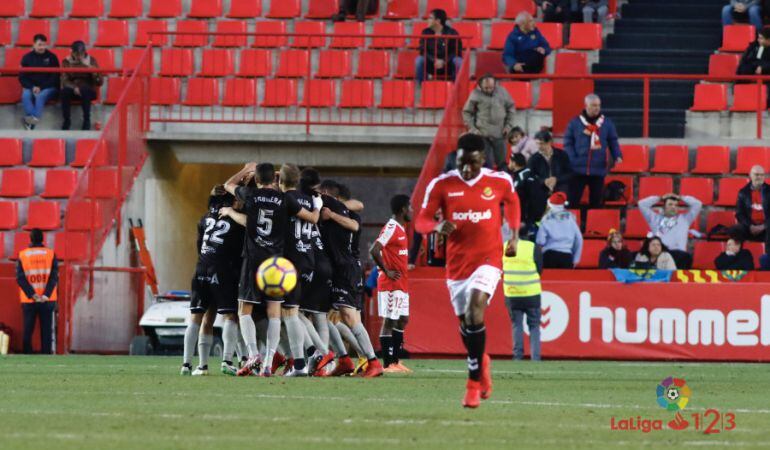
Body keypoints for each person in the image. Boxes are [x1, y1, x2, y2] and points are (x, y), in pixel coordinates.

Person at [416, 132, 521, 408]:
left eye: (472, 163)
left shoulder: (498, 181)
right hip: (457, 265)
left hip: (488, 259)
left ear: (483, 159)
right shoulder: (442, 184)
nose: (466, 168)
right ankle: (481, 361)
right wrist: (437, 226)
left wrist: (514, 235)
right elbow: (422, 220)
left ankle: (472, 385)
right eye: (461, 162)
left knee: (477, 309)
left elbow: (512, 202)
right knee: (466, 325)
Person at [223, 162, 319, 377]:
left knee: (243, 310)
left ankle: (253, 354)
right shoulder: (285, 199)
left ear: (257, 179)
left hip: (253, 259)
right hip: (276, 265)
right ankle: (268, 363)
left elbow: (228, 184)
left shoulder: (250, 194)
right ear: (275, 180)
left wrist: (245, 169)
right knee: (275, 313)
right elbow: (312, 217)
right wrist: (317, 205)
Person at [319, 180, 384, 378]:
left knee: (349, 317)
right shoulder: (339, 211)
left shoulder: (344, 214)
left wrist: (332, 213)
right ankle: (345, 359)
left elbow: (356, 219)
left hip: (345, 270)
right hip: (343, 269)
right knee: (325, 316)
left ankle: (371, 360)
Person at [181, 186, 245, 376]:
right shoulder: (236, 220)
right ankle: (226, 360)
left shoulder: (204, 219)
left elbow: (200, 246)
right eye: (238, 200)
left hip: (201, 269)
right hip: (223, 271)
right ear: (232, 202)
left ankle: (191, 365)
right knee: (230, 316)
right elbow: (240, 251)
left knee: (200, 318)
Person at [370, 194, 413, 373]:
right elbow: (374, 249)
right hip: (390, 283)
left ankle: (396, 361)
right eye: (410, 207)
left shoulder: (401, 228)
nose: (412, 210)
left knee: (403, 319)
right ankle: (388, 364)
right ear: (403, 209)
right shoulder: (391, 227)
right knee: (390, 320)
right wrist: (386, 270)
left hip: (401, 283)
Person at [563, 94, 622, 209]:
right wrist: (573, 158)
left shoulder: (607, 123)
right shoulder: (575, 123)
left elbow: (613, 141)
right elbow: (568, 142)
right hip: (577, 170)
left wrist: (617, 155)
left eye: (598, 105)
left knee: (596, 204)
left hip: (598, 169)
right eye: (594, 105)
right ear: (586, 106)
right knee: (572, 202)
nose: (597, 108)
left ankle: (594, 226)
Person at [16, 229, 59, 354]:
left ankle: (27, 357)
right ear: (42, 239)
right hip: (47, 299)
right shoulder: (50, 254)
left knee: (28, 330)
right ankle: (45, 358)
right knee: (46, 331)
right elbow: (54, 277)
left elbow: (20, 278)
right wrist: (46, 294)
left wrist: (32, 294)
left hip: (29, 300)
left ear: (30, 239)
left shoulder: (23, 255)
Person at [462, 74, 516, 170]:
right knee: (486, 164)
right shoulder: (475, 94)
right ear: (480, 85)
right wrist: (473, 130)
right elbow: (466, 112)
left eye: (491, 87)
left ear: (495, 84)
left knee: (502, 164)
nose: (488, 90)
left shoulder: (503, 92)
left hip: (500, 133)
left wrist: (508, 126)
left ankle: (502, 184)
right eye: (486, 88)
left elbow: (511, 108)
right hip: (482, 135)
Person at [502, 238, 543, 361]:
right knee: (534, 326)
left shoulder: (504, 246)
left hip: (512, 293)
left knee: (516, 325)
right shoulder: (533, 247)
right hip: (531, 293)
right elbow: (539, 269)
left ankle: (517, 357)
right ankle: (535, 358)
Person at [638, 193, 701, 269]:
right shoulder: (654, 219)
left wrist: (681, 198)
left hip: (679, 256)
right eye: (670, 204)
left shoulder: (685, 219)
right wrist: (659, 198)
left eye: (676, 205)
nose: (673, 207)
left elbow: (698, 204)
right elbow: (641, 204)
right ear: (664, 207)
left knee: (686, 256)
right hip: (661, 256)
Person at [19, 34, 59, 131]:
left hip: (49, 88)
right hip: (32, 87)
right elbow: (22, 77)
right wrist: (32, 87)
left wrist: (41, 87)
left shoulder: (52, 57)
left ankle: (30, 123)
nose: (42, 47)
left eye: (44, 45)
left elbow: (55, 77)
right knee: (25, 95)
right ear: (34, 44)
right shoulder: (27, 58)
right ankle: (31, 123)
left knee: (41, 96)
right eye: (40, 45)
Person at [61, 40, 102, 130]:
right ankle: (66, 120)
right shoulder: (66, 61)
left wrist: (94, 72)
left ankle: (86, 121)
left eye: (81, 53)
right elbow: (64, 80)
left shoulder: (91, 60)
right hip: (73, 88)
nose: (79, 56)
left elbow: (100, 82)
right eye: (77, 54)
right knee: (64, 92)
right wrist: (74, 87)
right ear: (72, 52)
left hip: (88, 89)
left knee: (85, 90)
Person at [536, 192, 583, 268]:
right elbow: (579, 239)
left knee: (549, 280)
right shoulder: (571, 219)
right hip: (566, 257)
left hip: (549, 256)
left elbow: (540, 241)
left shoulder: (546, 219)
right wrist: (576, 259)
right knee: (564, 280)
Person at [416, 9, 463, 84]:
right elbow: (422, 50)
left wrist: (444, 61)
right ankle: (421, 86)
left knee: (459, 61)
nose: (427, 20)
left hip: (448, 65)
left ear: (437, 21)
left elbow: (457, 51)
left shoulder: (452, 33)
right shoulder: (425, 32)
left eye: (430, 18)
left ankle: (457, 87)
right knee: (419, 60)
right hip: (431, 64)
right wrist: (434, 60)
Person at [736, 165, 770, 250]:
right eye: (756, 174)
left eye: (762, 175)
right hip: (750, 226)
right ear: (750, 175)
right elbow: (739, 214)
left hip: (766, 227)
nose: (759, 177)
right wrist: (750, 226)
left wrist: (764, 226)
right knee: (735, 230)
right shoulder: (743, 192)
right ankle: (741, 258)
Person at [509, 153, 539, 237]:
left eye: (510, 162)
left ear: (514, 163)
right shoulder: (520, 175)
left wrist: (525, 219)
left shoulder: (524, 177)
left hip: (525, 220)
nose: (508, 164)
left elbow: (531, 200)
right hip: (522, 218)